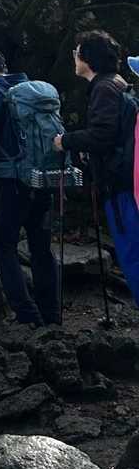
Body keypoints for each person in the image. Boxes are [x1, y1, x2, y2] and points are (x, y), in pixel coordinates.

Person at [0, 49, 60, 328]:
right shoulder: (33, 91)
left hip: (10, 182)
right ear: (5, 67)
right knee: (41, 248)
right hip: (42, 178)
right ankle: (52, 316)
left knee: (2, 245)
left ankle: (27, 316)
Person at [56, 30, 139, 306]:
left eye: (77, 52)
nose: (74, 57)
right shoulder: (117, 83)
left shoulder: (103, 88)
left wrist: (66, 141)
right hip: (128, 178)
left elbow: (103, 136)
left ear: (87, 57)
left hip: (120, 184)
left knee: (132, 252)